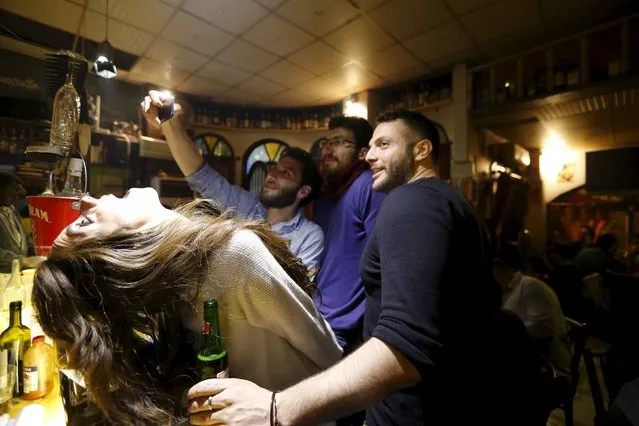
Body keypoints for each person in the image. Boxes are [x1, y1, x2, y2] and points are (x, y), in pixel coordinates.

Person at [185, 111, 531, 426]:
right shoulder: (441, 202)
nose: (370, 156)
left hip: (414, 411)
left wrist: (277, 408)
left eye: (383, 144)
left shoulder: (414, 201)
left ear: (422, 150)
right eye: (368, 147)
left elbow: (405, 344)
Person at [32, 188, 342, 426]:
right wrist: (278, 407)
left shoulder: (176, 276)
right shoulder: (234, 257)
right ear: (130, 245)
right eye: (84, 222)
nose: (87, 199)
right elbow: (332, 361)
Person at [141, 91, 324, 273]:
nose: (271, 175)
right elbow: (202, 177)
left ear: (303, 191)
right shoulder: (249, 207)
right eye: (275, 168)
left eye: (286, 173)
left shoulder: (309, 235)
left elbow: (298, 292)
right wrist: (169, 122)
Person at [313, 116, 386, 355]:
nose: (328, 148)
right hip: (319, 317)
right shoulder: (325, 196)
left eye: (340, 141)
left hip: (346, 328)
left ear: (362, 153)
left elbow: (382, 261)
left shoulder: (369, 187)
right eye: (326, 142)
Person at [493, 257, 571, 376]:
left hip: (547, 365)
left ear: (501, 270)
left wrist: (506, 331)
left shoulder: (529, 286)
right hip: (528, 359)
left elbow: (545, 327)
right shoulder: (503, 292)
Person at [0, 172, 43, 272]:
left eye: (17, 194)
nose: (16, 197)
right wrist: (23, 261)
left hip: (18, 274)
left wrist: (39, 253)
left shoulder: (12, 210)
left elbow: (25, 239)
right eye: (12, 192)